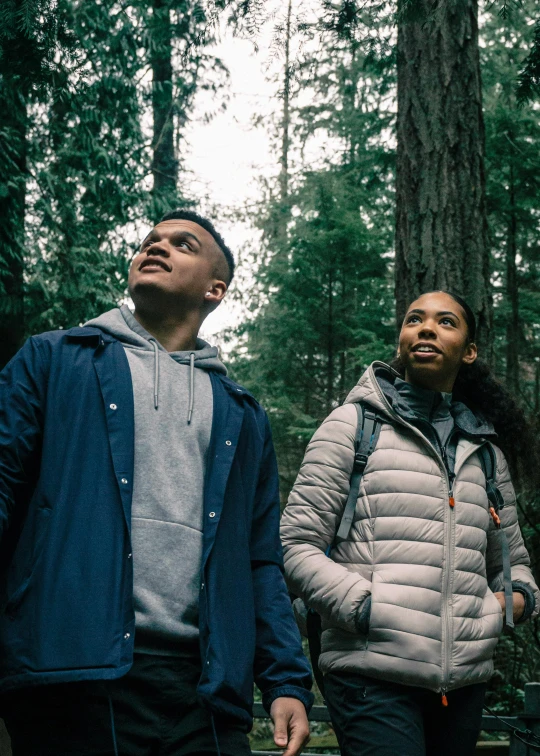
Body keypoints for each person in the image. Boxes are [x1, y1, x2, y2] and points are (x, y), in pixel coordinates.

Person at [0, 209, 313, 756]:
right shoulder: (53, 361)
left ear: (215, 289)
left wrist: (286, 680)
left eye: (182, 244)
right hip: (74, 676)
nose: (158, 246)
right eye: (151, 240)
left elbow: (260, 558)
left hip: (207, 692)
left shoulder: (242, 414)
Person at [280, 290, 539, 756]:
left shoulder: (486, 453)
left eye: (445, 322)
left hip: (462, 681)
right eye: (414, 319)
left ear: (469, 350)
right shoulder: (352, 427)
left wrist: (511, 603)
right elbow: (296, 544)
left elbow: (513, 563)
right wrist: (365, 608)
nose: (425, 328)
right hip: (370, 672)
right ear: (401, 340)